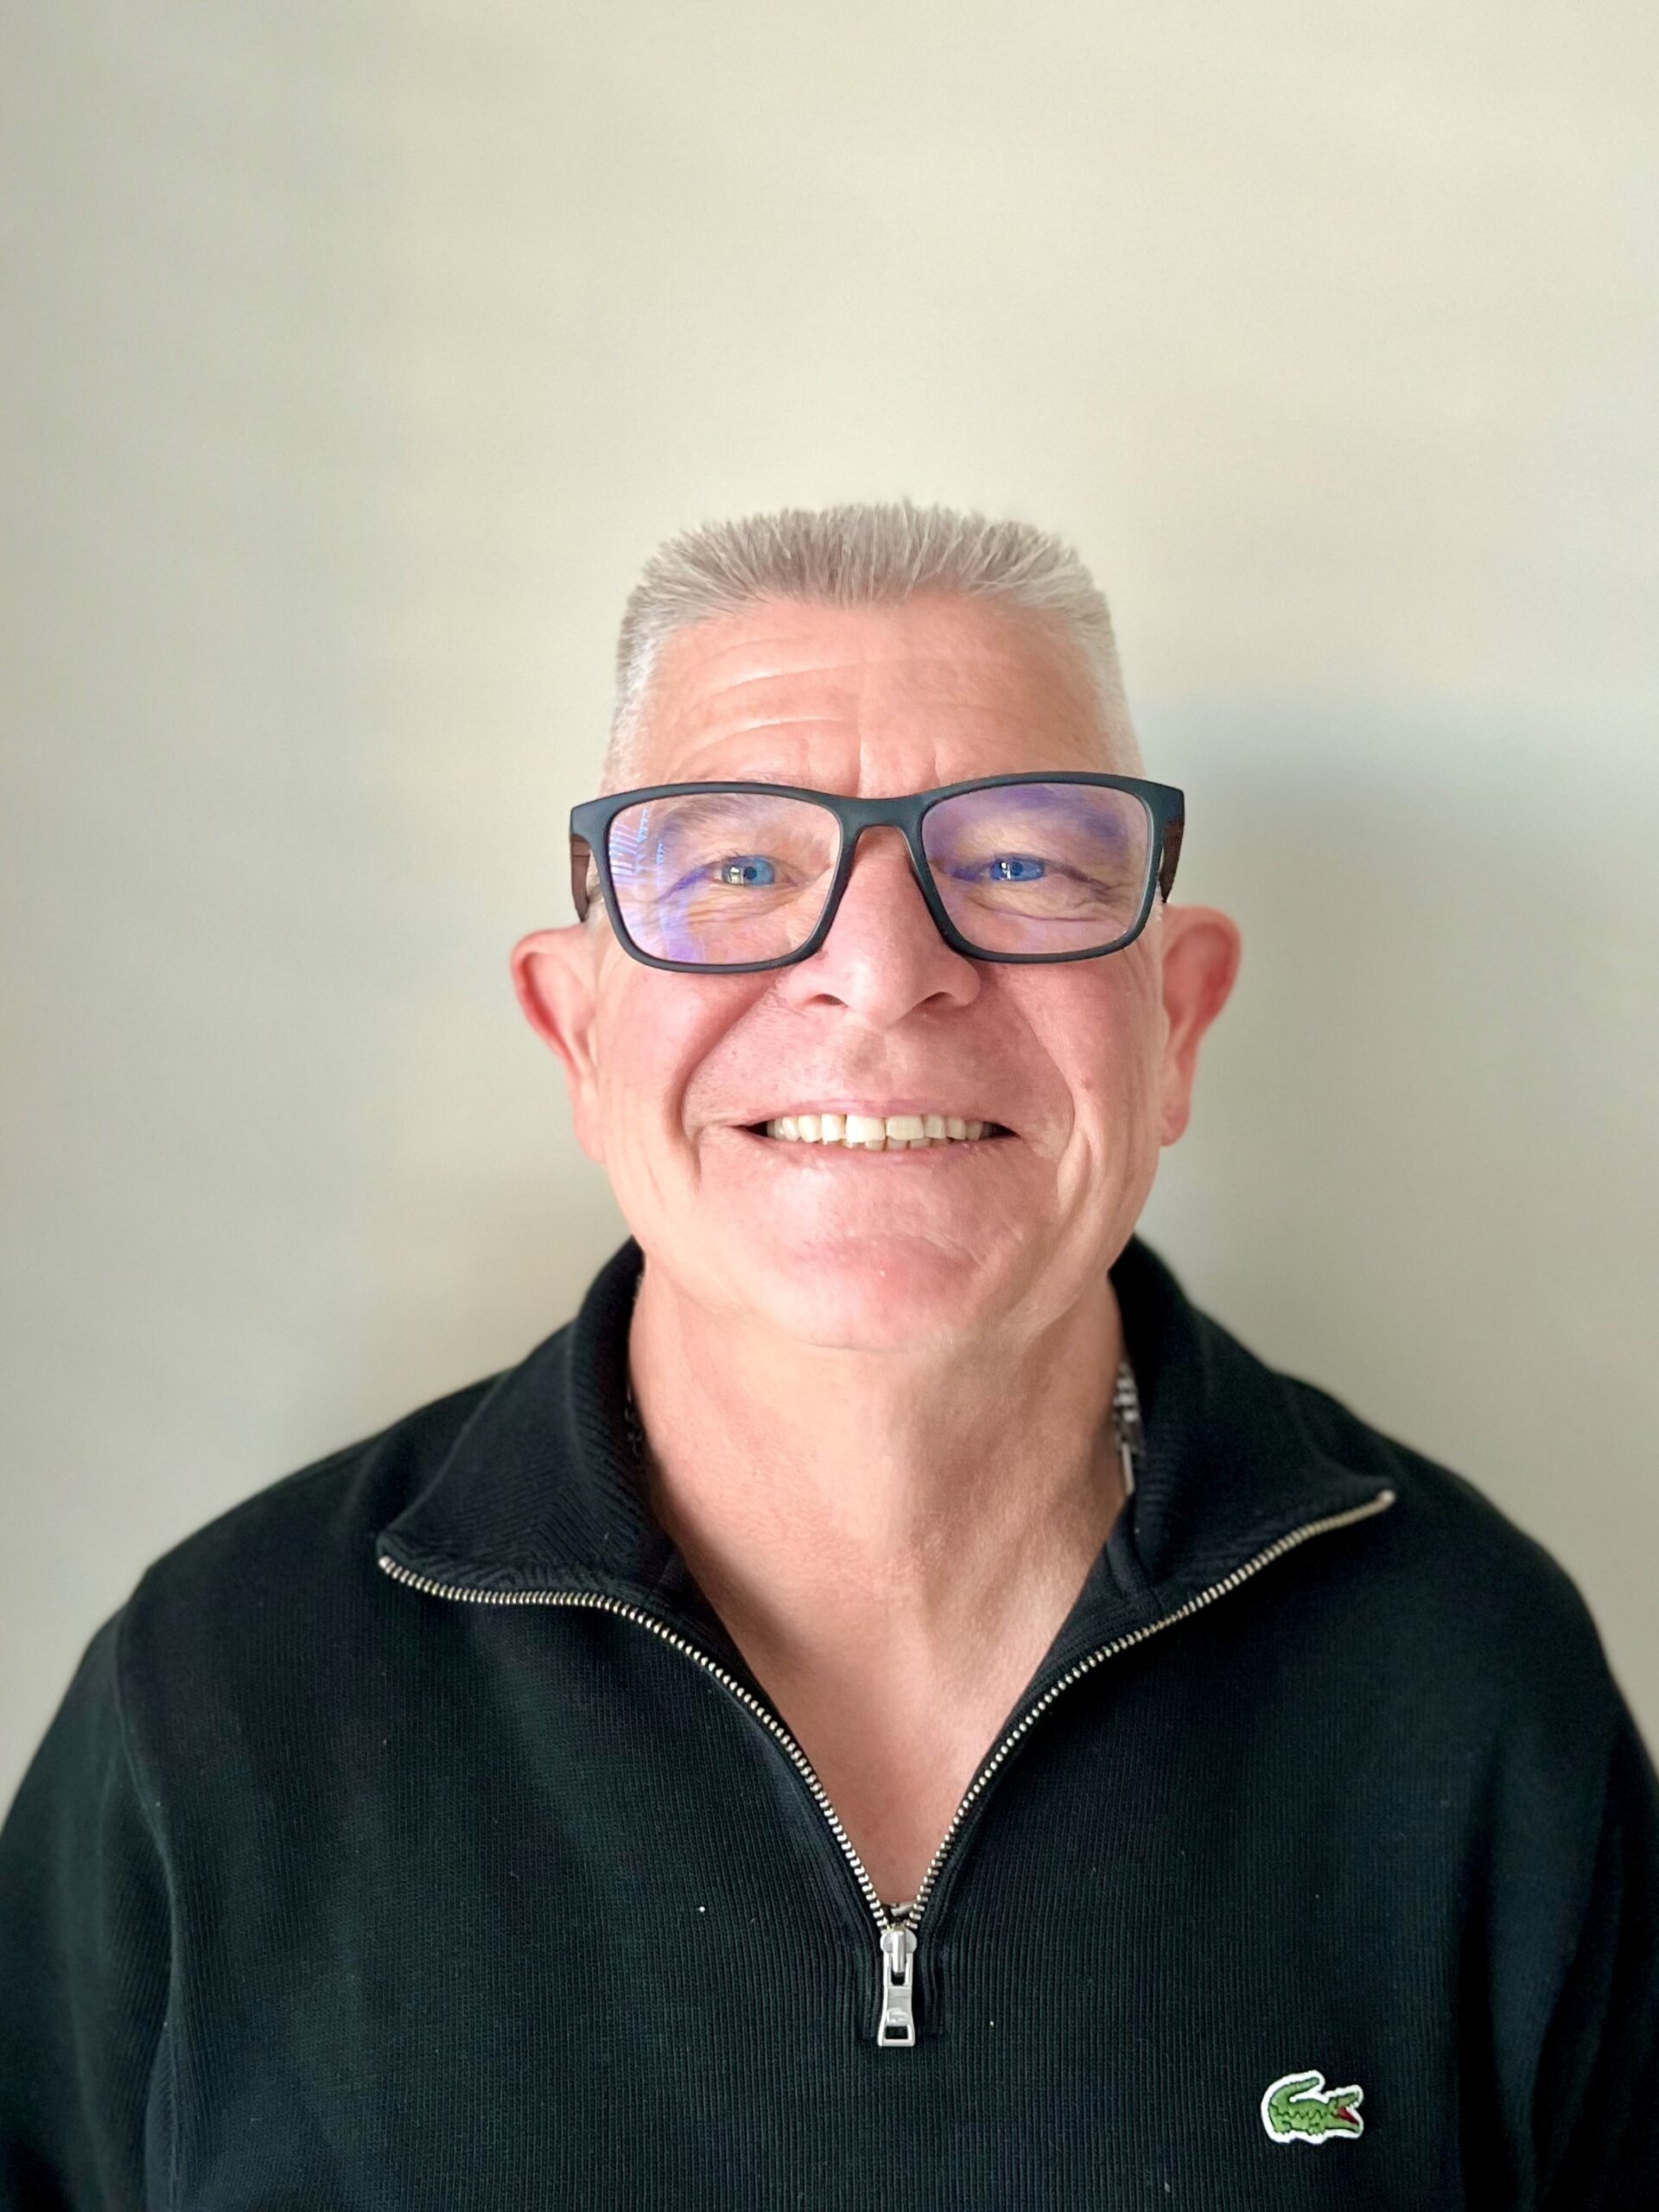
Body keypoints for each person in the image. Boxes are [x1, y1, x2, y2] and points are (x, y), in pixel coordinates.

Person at [2, 501, 1655, 2209]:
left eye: (1019, 865)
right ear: (577, 1034)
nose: (878, 975)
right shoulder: (214, 1704)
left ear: (1176, 1024)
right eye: (737, 870)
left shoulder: (1475, 1692)